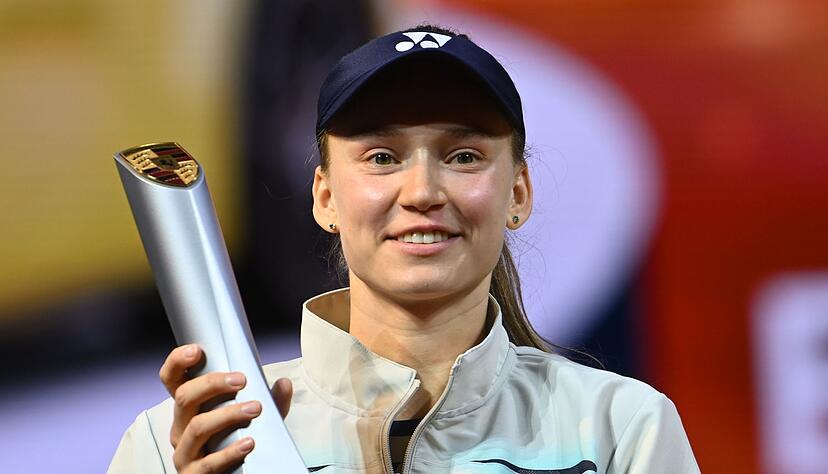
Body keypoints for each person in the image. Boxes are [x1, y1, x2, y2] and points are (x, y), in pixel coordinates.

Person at [108, 25, 700, 474]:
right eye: (382, 158)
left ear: (517, 192)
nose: (421, 192)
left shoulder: (621, 429)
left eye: (462, 156)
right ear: (325, 198)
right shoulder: (174, 447)